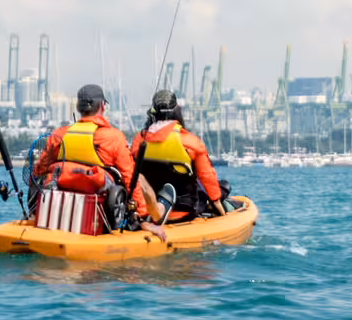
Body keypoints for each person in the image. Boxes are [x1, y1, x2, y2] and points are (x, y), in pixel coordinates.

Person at [31, 83, 165, 237]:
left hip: (58, 214)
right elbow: (131, 179)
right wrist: (143, 218)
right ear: (102, 105)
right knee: (137, 178)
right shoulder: (113, 137)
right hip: (99, 218)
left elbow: (38, 172)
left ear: (78, 107)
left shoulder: (58, 135)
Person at [130, 89, 226, 221]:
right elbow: (207, 176)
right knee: (224, 186)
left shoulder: (139, 140)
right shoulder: (191, 142)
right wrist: (219, 208)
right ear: (177, 110)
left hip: (148, 210)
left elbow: (131, 174)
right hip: (185, 212)